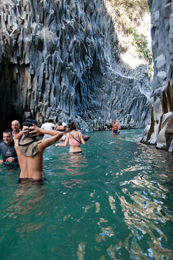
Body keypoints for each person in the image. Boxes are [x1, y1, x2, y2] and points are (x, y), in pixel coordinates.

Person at [14, 118, 63, 184]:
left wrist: (23, 132)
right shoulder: (39, 145)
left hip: (22, 180)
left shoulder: (18, 147)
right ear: (36, 131)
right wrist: (41, 130)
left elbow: (16, 138)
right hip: (36, 180)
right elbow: (59, 134)